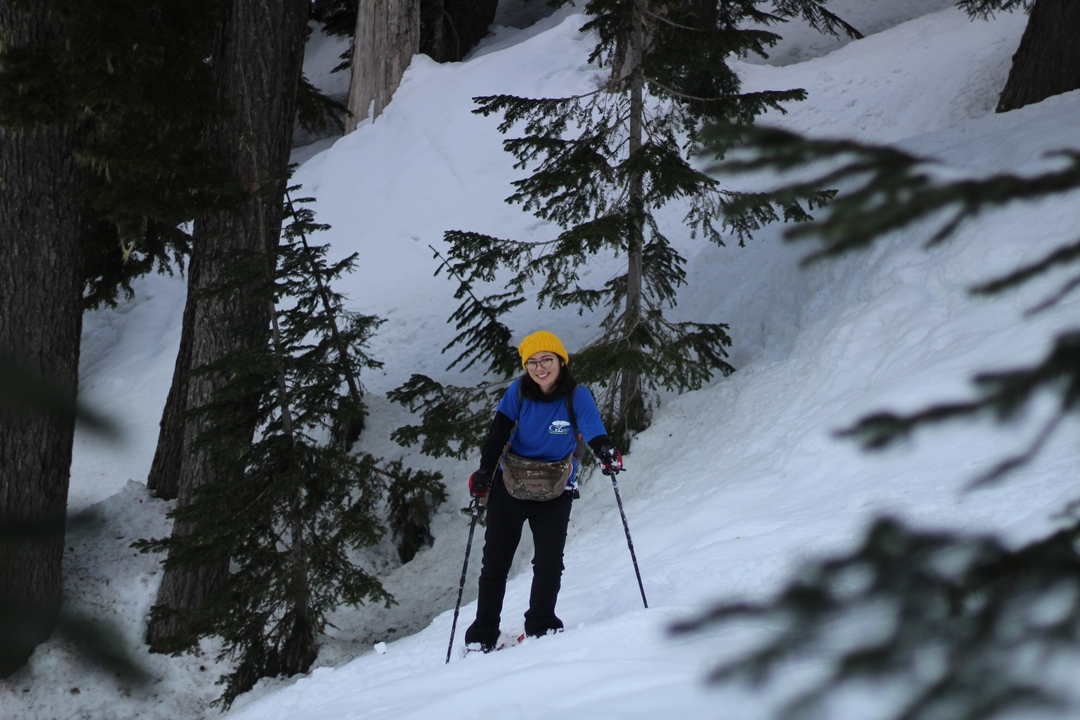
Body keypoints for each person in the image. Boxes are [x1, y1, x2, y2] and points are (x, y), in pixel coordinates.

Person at [463, 330, 624, 652]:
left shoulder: (576, 396)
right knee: (495, 563)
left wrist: (605, 450)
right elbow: (497, 435)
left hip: (555, 489)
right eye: (532, 362)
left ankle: (541, 626)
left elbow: (593, 429)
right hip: (510, 485)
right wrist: (484, 472)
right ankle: (483, 634)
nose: (539, 368)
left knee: (549, 562)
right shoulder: (518, 392)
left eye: (546, 360)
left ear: (561, 361)